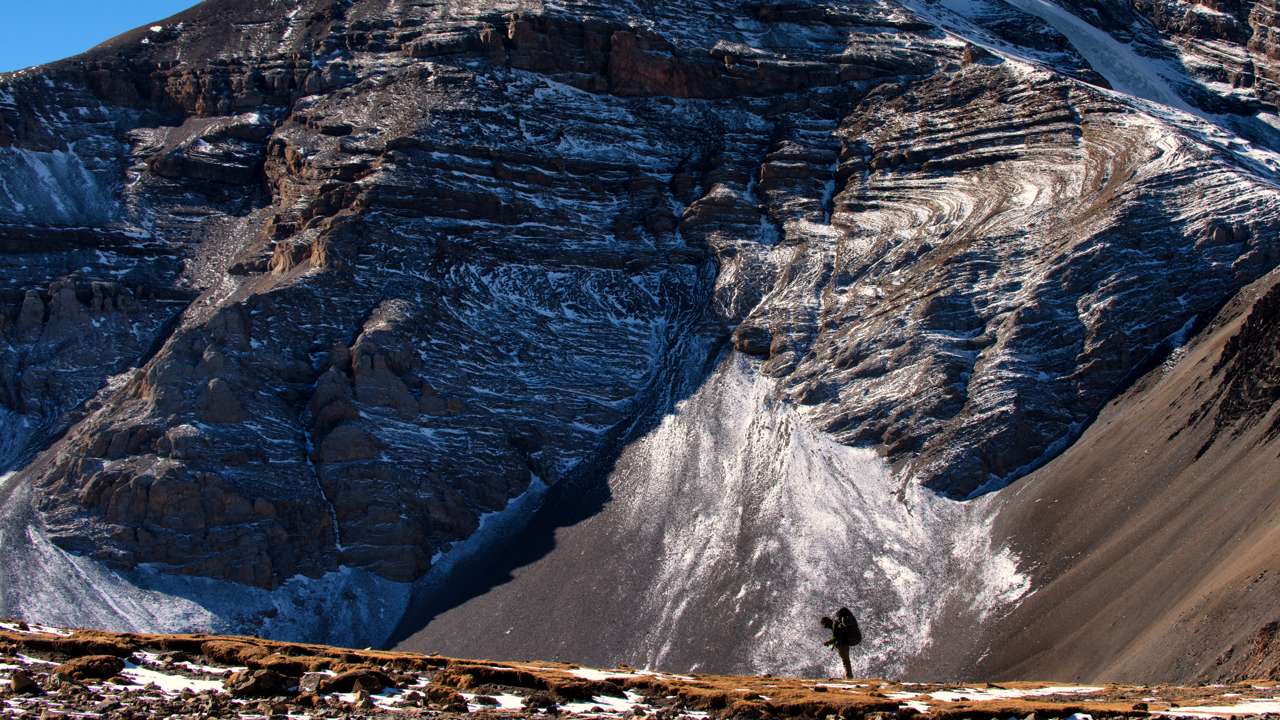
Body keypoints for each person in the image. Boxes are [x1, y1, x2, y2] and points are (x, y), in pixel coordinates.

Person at [820, 607, 862, 679]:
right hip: (845, 643)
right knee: (846, 661)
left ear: (826, 623)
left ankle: (849, 676)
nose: (825, 627)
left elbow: (836, 637)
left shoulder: (834, 625)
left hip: (843, 644)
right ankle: (848, 675)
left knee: (845, 661)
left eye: (824, 626)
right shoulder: (836, 623)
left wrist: (828, 642)